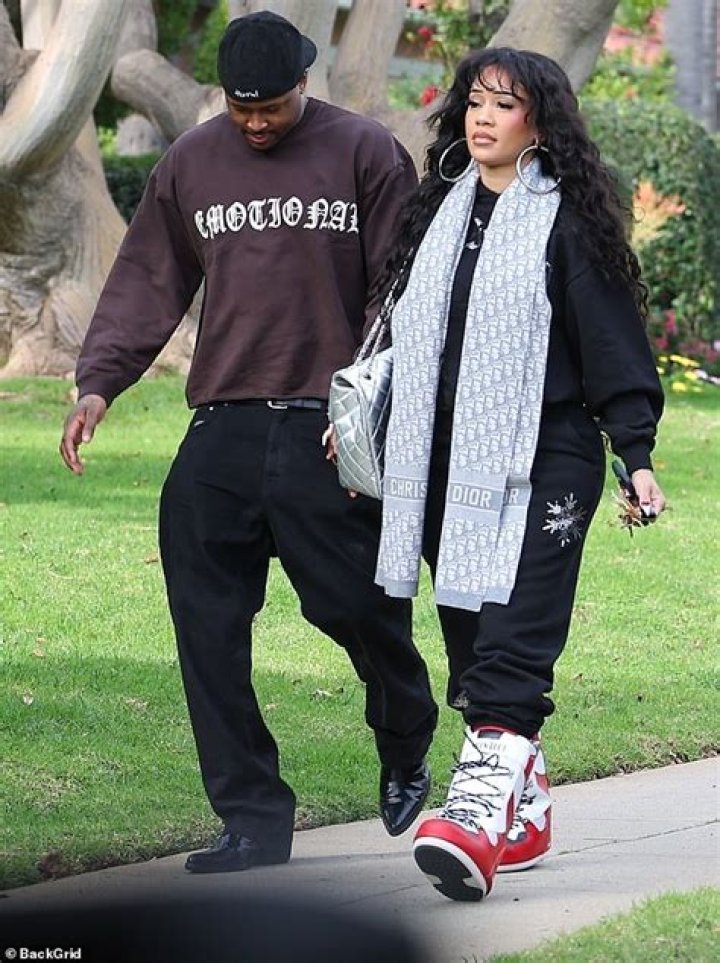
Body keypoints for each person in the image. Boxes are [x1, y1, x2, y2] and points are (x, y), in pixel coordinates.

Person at [59, 10, 438, 874]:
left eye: (272, 106)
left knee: (356, 607)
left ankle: (406, 724)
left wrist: (366, 404)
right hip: (222, 423)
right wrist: (99, 383)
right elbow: (149, 275)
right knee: (207, 627)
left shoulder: (365, 152)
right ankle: (253, 817)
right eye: (242, 107)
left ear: (305, 81)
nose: (257, 122)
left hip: (323, 424)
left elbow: (398, 288)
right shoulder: (191, 163)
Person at [363, 47, 666, 902]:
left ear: (540, 122)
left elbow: (611, 343)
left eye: (504, 104)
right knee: (470, 636)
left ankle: (474, 820)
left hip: (547, 463)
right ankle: (525, 809)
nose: (483, 117)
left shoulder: (566, 222)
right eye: (475, 102)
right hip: (445, 462)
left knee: (512, 637)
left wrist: (636, 454)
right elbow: (401, 333)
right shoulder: (439, 211)